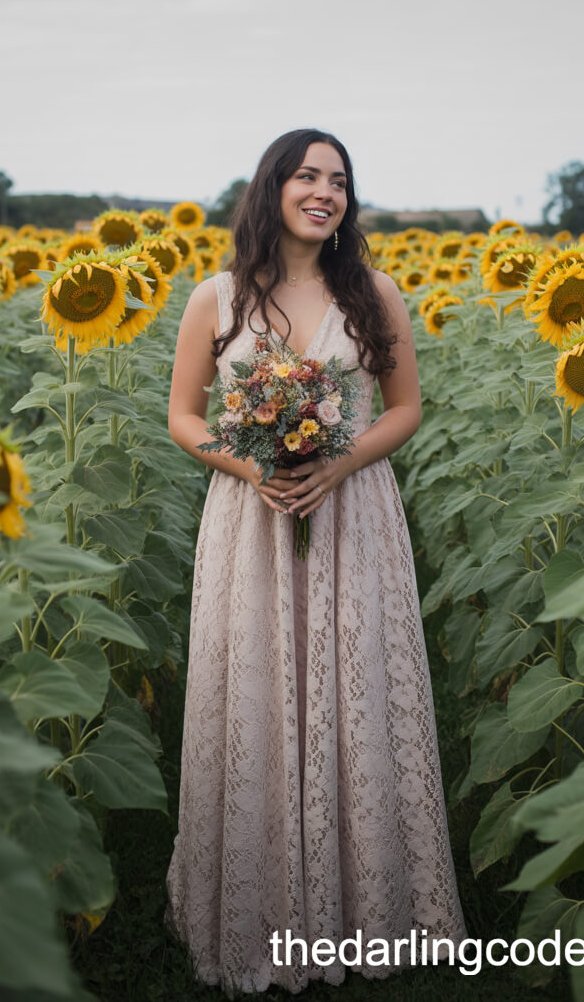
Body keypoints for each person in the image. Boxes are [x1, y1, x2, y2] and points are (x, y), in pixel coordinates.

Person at [164, 128, 467, 995]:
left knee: (352, 688)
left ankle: (363, 908)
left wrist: (340, 462)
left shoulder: (373, 292)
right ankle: (262, 908)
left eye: (338, 180)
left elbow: (405, 408)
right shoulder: (215, 298)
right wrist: (253, 465)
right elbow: (185, 417)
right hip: (250, 519)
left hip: (352, 515)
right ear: (275, 187)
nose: (324, 191)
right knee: (258, 689)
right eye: (308, 175)